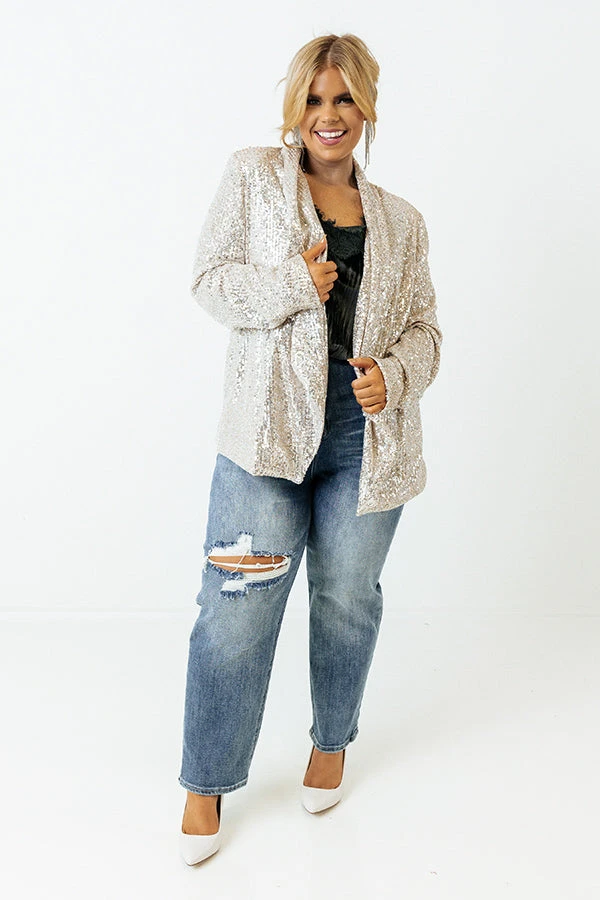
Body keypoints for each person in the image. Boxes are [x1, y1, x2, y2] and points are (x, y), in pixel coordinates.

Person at [178, 32, 442, 865]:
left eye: (345, 99)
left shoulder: (402, 220)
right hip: (265, 434)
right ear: (295, 107)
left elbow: (427, 332)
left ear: (367, 107)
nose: (330, 116)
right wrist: (296, 284)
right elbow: (210, 281)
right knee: (236, 602)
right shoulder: (253, 177)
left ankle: (331, 742)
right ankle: (206, 780)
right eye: (316, 99)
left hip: (366, 437)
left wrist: (393, 377)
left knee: (348, 598)